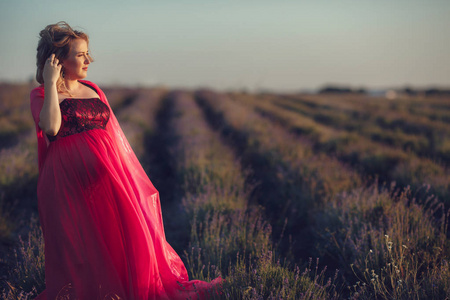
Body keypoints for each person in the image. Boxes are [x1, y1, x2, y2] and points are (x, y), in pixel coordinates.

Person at [30, 21, 221, 300]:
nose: (89, 59)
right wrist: (49, 81)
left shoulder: (92, 88)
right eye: (81, 54)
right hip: (67, 185)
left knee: (127, 238)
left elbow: (112, 135)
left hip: (108, 180)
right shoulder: (41, 95)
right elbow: (51, 128)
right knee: (82, 250)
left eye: (88, 52)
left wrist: (125, 178)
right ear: (57, 60)